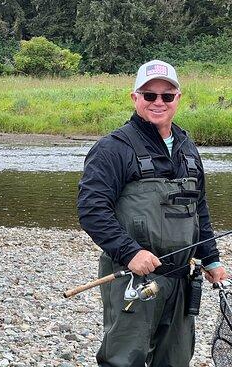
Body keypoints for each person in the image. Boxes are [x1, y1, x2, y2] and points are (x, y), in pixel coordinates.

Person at [77, 60, 228, 367]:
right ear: (135, 98)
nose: (158, 102)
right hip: (132, 276)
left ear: (178, 99)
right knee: (123, 360)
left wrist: (211, 258)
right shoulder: (112, 148)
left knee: (175, 360)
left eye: (166, 96)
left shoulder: (188, 149)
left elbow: (199, 208)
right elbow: (91, 209)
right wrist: (131, 252)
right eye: (149, 95)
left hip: (181, 278)